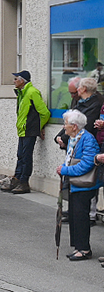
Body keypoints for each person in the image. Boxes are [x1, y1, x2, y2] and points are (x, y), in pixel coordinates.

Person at [57, 110, 100, 261]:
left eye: (66, 124)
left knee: (81, 216)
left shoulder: (87, 139)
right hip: (75, 183)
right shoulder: (74, 138)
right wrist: (63, 168)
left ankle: (84, 249)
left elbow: (87, 164)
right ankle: (78, 247)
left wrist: (65, 170)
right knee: (75, 215)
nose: (64, 127)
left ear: (74, 126)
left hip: (84, 184)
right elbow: (70, 159)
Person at [1, 70, 50, 194]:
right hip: (23, 130)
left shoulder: (32, 92)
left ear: (22, 80)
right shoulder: (22, 93)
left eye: (16, 79)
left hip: (30, 129)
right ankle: (17, 179)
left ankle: (24, 182)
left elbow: (44, 112)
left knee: (26, 157)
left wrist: (40, 127)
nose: (14, 81)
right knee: (20, 155)